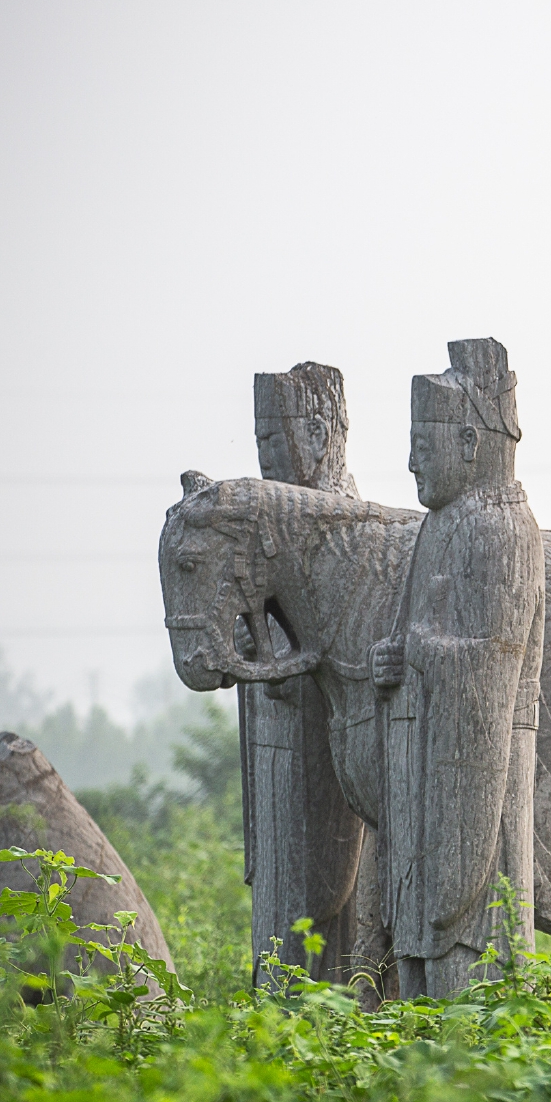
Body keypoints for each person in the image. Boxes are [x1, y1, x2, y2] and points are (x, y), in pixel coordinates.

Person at [371, 339, 545, 1000]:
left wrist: (422, 651)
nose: (413, 458)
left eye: (425, 439)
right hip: (427, 771)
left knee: (470, 951)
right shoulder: (441, 525)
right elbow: (424, 637)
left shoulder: (501, 528)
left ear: (470, 440)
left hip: (478, 773)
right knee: (419, 953)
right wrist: (396, 660)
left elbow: (493, 667)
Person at [241, 362, 368, 984]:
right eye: (261, 441)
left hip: (336, 759)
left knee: (342, 912)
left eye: (275, 439)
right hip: (275, 755)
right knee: (282, 925)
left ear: (319, 435)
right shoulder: (257, 532)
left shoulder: (355, 529)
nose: (266, 457)